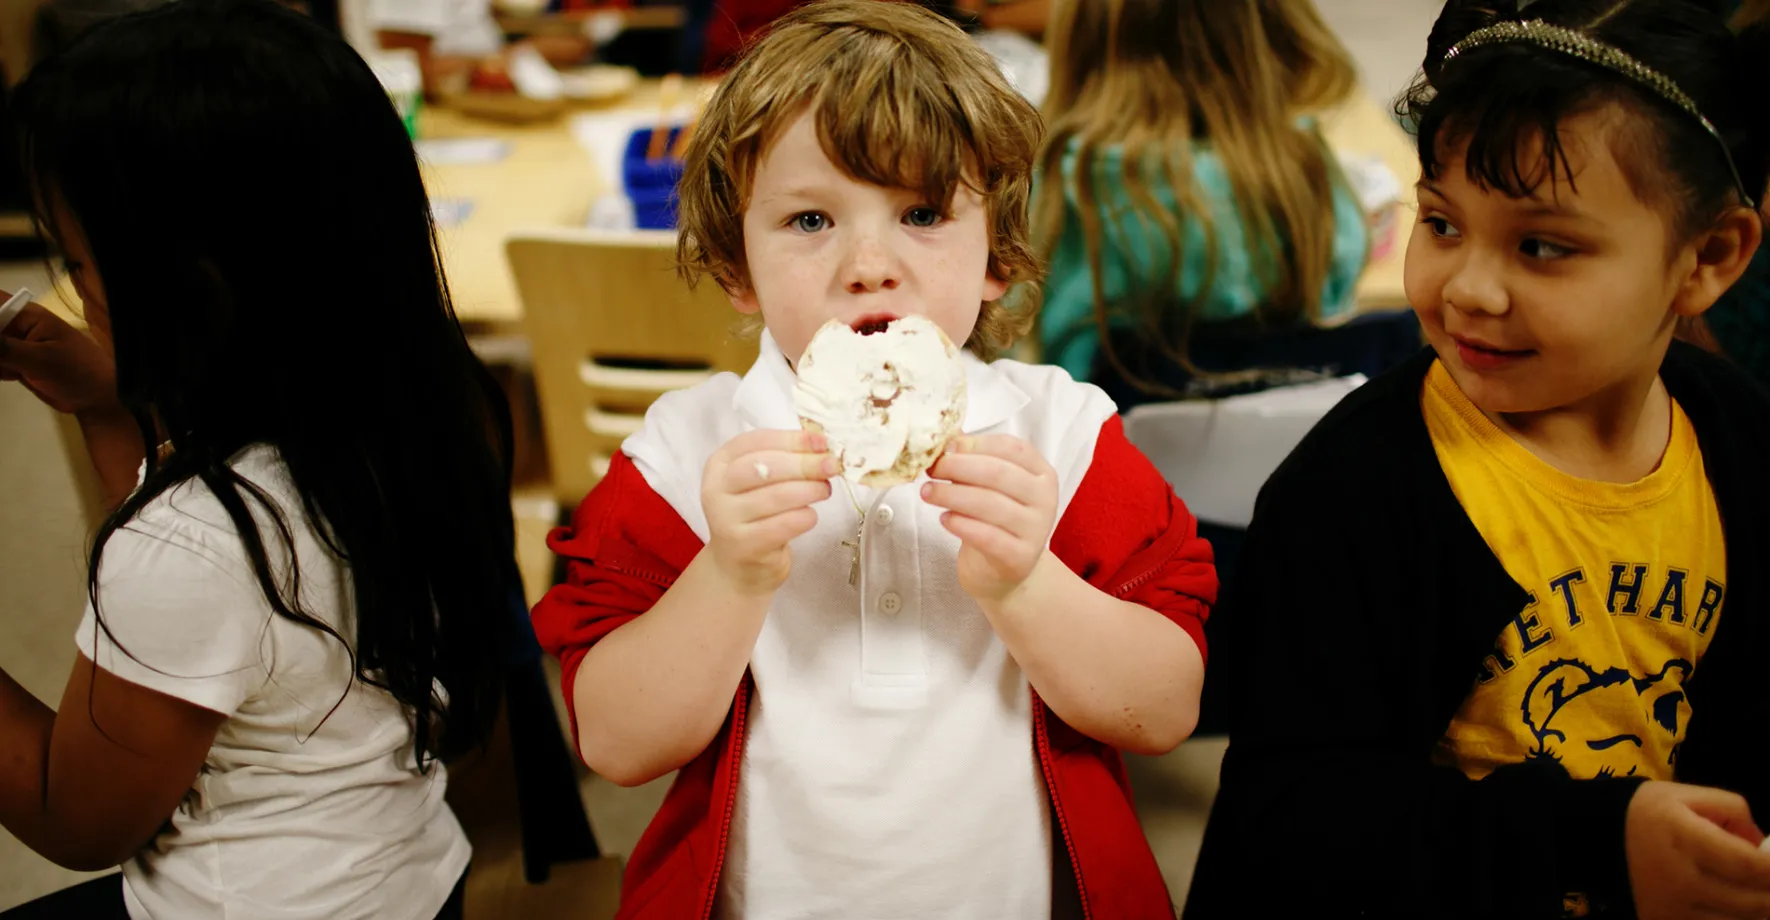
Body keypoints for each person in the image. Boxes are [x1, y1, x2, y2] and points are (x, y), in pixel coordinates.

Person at [529, 1, 1217, 916]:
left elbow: (1164, 710)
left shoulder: (1063, 434)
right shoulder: (681, 456)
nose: (868, 263)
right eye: (810, 219)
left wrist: (1026, 584)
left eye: (922, 212)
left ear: (996, 259)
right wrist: (728, 578)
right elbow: (615, 744)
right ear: (738, 264)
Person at [1184, 1, 1770, 917]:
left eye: (1542, 246)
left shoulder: (1740, 445)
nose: (1468, 288)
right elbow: (1289, 819)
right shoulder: (1350, 490)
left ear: (1708, 257)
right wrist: (1593, 844)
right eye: (1443, 223)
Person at [0, 0, 520, 916]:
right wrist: (106, 403)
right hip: (404, 882)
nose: (74, 292)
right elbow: (233, 624)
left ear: (191, 282)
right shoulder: (434, 406)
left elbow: (74, 818)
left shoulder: (196, 542)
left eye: (81, 266)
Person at [1032, 0, 1392, 409]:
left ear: (1082, 42)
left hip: (1108, 451)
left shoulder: (1067, 185)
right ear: (1278, 31)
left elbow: (1021, 340)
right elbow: (1337, 292)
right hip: (1290, 451)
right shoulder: (1306, 173)